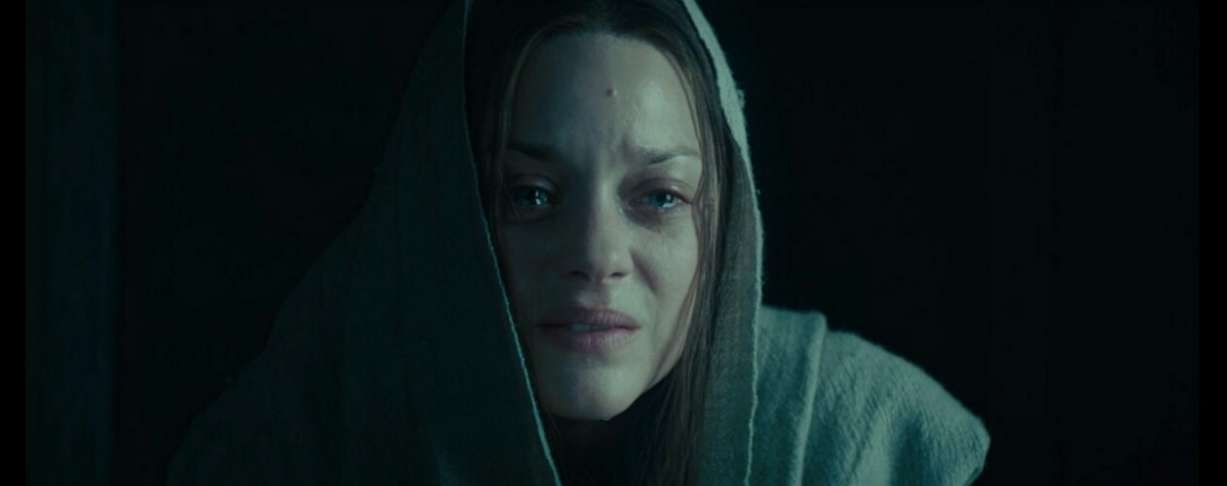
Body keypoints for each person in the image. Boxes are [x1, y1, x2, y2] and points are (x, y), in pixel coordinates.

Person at [167, 0, 989, 485]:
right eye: (530, 195)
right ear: (445, 217)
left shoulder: (864, 447)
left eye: (658, 197)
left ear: (722, 229)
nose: (596, 255)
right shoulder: (294, 442)